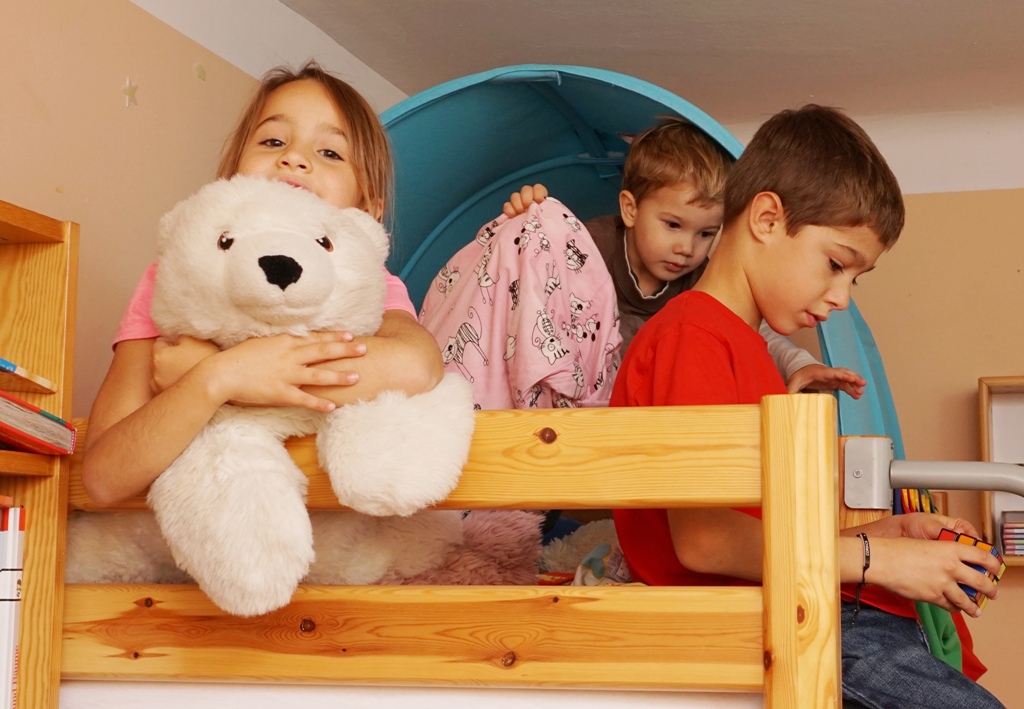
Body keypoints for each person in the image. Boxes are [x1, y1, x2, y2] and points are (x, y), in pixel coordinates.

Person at [611, 104, 1005, 708]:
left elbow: (765, 532)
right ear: (767, 218)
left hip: (800, 599)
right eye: (836, 264)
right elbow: (706, 542)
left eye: (856, 279)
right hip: (773, 615)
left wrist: (890, 533)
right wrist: (878, 559)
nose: (841, 296)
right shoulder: (693, 333)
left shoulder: (742, 346)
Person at [82, 61, 443, 507]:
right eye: (273, 141)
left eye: (331, 153)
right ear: (231, 177)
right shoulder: (169, 280)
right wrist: (215, 379)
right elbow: (102, 479)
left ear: (367, 208)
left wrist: (233, 374)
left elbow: (415, 366)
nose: (294, 158)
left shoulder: (371, 284)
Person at [420, 118, 865, 413]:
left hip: (632, 399)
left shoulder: (701, 284)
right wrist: (529, 219)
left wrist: (798, 365)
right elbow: (534, 283)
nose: (687, 247)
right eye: (672, 224)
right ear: (630, 210)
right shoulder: (591, 246)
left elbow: (761, 333)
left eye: (706, 233)